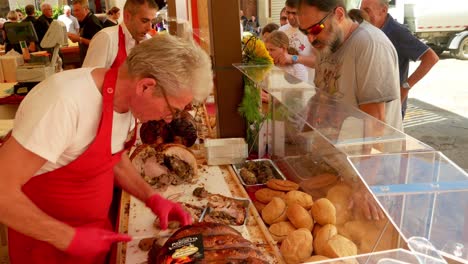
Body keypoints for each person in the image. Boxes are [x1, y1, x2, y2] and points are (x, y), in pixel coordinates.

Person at [0, 33, 213, 263]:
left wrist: (151, 197)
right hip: (47, 249)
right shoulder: (64, 102)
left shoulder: (125, 104)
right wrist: (68, 238)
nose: (170, 120)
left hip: (93, 239)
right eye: (172, 109)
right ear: (145, 87)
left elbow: (111, 157)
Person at [297, 0, 402, 130]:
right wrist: (303, 136)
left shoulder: (370, 43)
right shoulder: (326, 44)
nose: (311, 39)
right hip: (337, 144)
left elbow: (375, 123)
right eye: (305, 32)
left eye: (316, 29)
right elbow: (320, 98)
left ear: (339, 15)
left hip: (364, 148)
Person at [360, 0, 439, 118]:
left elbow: (431, 58)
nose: (362, 14)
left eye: (366, 10)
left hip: (391, 106)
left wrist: (405, 87)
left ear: (383, 11)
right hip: (373, 103)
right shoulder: (369, 29)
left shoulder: (398, 32)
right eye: (361, 9)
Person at [82, 0, 158, 68]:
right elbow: (88, 78)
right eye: (144, 21)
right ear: (127, 16)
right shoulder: (106, 38)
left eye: (152, 22)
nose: (149, 28)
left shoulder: (148, 41)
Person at [279, 0, 315, 83]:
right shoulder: (281, 31)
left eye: (294, 13)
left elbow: (317, 62)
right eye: (288, 12)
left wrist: (293, 58)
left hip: (306, 87)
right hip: (285, 85)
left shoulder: (312, 31)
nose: (290, 17)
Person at [68, 0, 103, 64]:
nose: (75, 13)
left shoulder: (92, 22)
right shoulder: (83, 21)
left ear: (86, 9)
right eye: (74, 11)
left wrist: (79, 39)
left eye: (77, 10)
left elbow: (98, 44)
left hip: (94, 62)